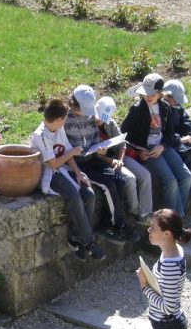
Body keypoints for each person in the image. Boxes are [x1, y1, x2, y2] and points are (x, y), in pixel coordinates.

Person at [31, 98, 105, 261]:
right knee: (74, 195)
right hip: (49, 174)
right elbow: (54, 163)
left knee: (89, 194)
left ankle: (75, 237)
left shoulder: (59, 128)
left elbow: (68, 151)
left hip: (63, 169)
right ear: (58, 120)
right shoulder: (40, 135)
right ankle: (89, 241)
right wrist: (72, 154)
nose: (66, 120)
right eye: (65, 118)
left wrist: (78, 173)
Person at [66, 85, 137, 240]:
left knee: (119, 180)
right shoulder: (65, 118)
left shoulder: (91, 115)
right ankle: (117, 225)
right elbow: (63, 147)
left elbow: (95, 138)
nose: (87, 113)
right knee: (107, 184)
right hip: (77, 163)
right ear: (74, 104)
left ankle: (112, 220)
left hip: (92, 157)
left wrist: (101, 149)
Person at [121, 73, 191, 219]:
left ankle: (175, 216)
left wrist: (163, 146)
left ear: (160, 94)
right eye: (145, 93)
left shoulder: (165, 107)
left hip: (162, 147)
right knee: (170, 181)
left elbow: (169, 133)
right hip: (147, 150)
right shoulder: (137, 109)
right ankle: (176, 220)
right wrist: (139, 150)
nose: (148, 96)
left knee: (186, 176)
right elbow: (124, 134)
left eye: (152, 94)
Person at [97, 96, 153, 222]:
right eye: (99, 118)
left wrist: (120, 160)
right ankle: (135, 212)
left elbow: (122, 144)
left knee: (145, 175)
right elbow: (94, 155)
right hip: (105, 161)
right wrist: (112, 161)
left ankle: (146, 212)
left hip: (118, 158)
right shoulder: (89, 126)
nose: (101, 121)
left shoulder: (110, 123)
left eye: (103, 118)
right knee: (130, 179)